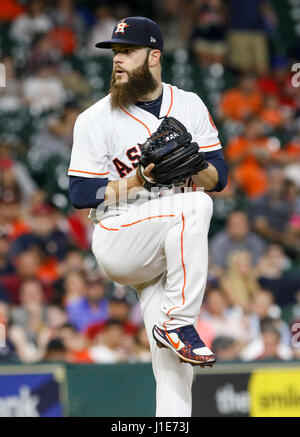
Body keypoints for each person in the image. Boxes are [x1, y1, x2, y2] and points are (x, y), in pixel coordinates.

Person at [68, 16, 228, 417]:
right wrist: (139, 177)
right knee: (196, 205)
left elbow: (218, 177)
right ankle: (179, 322)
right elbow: (81, 194)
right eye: (115, 53)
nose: (118, 60)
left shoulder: (189, 104)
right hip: (119, 233)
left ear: (154, 55)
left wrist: (191, 166)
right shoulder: (95, 118)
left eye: (128, 51)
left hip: (166, 245)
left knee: (174, 366)